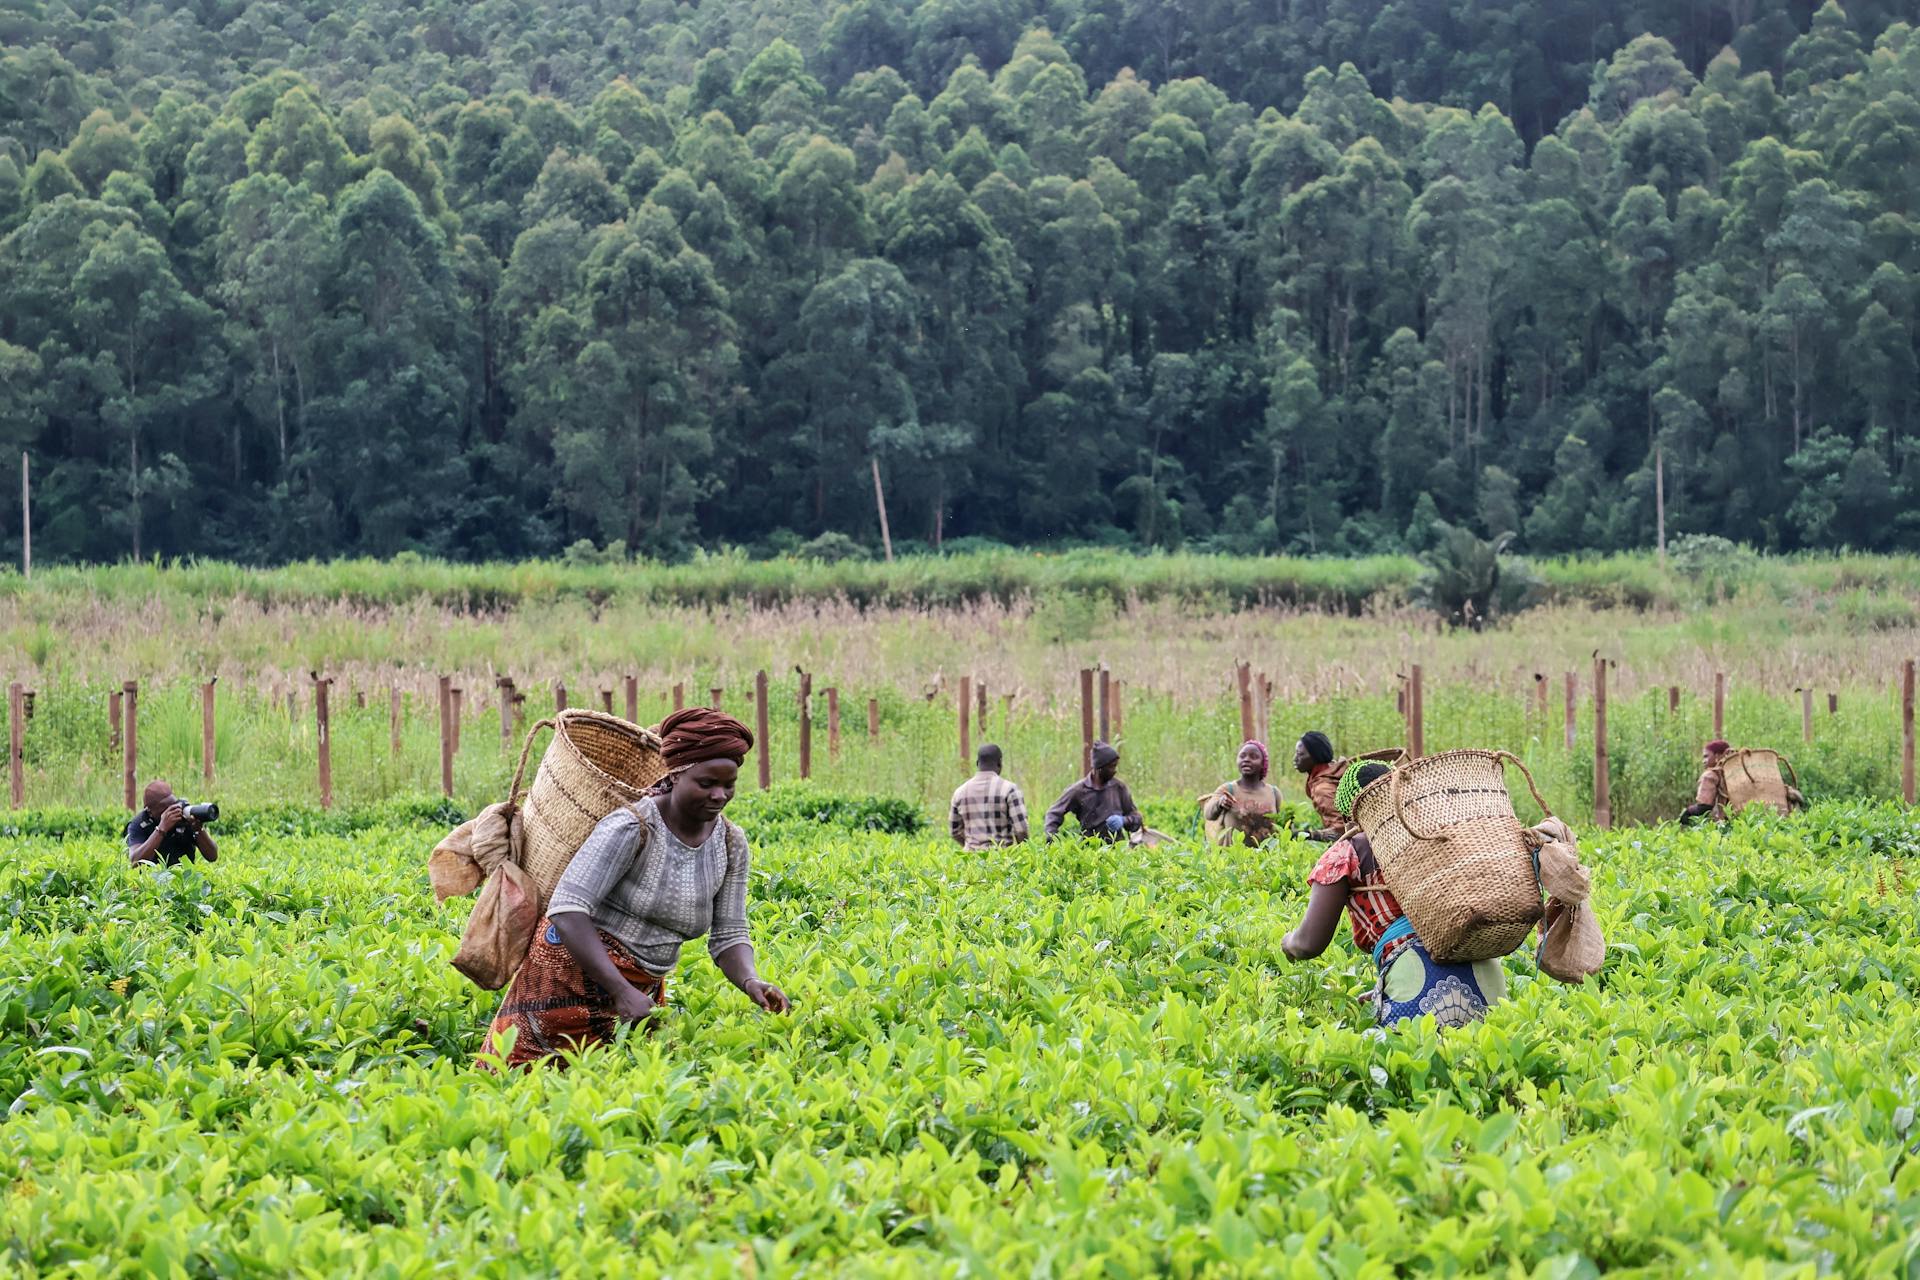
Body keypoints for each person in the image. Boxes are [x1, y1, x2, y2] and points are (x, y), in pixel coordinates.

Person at [484, 707, 790, 1068]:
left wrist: (751, 981)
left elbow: (729, 936)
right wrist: (619, 990)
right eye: (706, 783)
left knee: (615, 1095)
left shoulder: (730, 843)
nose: (719, 795)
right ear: (675, 776)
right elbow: (567, 910)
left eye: (729, 785)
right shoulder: (632, 827)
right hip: (566, 976)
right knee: (523, 1080)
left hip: (639, 987)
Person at [1280, 762, 1506, 1028]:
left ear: (1346, 815)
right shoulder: (1436, 838)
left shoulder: (1346, 854)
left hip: (1418, 981)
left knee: (1411, 1065)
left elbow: (1308, 943)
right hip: (1490, 980)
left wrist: (1287, 942)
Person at [1682, 739, 1804, 822]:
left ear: (1718, 756)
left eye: (1706, 756)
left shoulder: (1711, 775)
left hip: (1737, 823)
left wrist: (1687, 814)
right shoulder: (1743, 769)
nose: (1703, 761)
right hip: (1773, 818)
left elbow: (1704, 806)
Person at [1043, 741, 1143, 842]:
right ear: (1100, 768)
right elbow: (1054, 813)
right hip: (1089, 850)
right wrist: (1051, 836)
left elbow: (1136, 818)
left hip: (1117, 849)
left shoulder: (1119, 788)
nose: (1115, 770)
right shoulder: (1079, 790)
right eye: (1111, 766)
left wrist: (1124, 820)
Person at [1200, 740, 1283, 846]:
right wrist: (1220, 803)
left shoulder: (1274, 793)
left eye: (1253, 757)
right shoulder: (1228, 789)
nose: (1247, 759)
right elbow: (1208, 813)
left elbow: (1282, 824)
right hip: (1235, 858)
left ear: (1263, 763)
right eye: (1242, 756)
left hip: (1266, 858)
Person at [949, 743, 1030, 849]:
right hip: (1001, 859)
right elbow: (1021, 829)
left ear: (977, 763)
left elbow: (954, 831)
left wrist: (971, 846)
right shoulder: (1009, 789)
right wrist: (1021, 851)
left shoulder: (960, 792)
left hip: (970, 861)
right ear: (1000, 763)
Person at [126, 780, 218, 867]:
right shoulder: (139, 823)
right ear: (150, 811)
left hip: (184, 880)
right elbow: (135, 861)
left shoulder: (184, 815)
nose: (172, 811)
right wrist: (161, 829)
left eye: (173, 804)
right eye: (166, 808)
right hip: (153, 879)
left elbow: (212, 856)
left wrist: (198, 830)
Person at [1294, 732, 1343, 840]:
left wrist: (1308, 835)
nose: (1295, 759)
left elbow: (1341, 831)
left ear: (1315, 756)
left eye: (1300, 754)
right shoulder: (1333, 771)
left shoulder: (1322, 789)